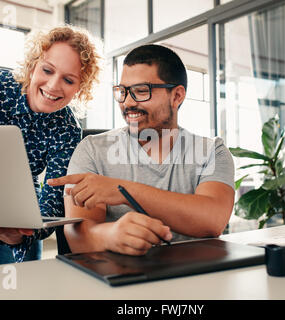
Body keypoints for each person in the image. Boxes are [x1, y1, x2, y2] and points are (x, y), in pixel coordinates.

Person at [0, 26, 101, 270]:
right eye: (47, 70)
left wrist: (26, 232)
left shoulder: (67, 130)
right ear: (33, 65)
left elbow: (53, 201)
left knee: (22, 282)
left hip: (21, 198)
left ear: (80, 87)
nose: (54, 86)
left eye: (68, 80)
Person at [48, 44, 235, 256]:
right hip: (117, 281)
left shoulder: (212, 151)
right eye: (123, 92)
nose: (128, 102)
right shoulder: (91, 150)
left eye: (141, 91)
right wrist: (110, 236)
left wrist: (123, 191)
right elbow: (77, 237)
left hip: (194, 278)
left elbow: (212, 220)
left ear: (176, 96)